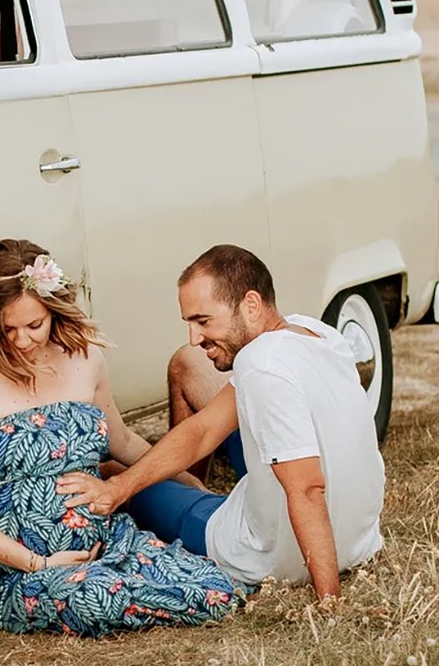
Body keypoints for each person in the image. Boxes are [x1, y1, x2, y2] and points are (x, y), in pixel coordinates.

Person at [0, 238, 247, 636]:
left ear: (54, 310)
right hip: (28, 572)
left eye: (34, 325)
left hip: (107, 540)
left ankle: (130, 575)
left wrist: (180, 474)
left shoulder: (85, 362)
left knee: (216, 588)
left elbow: (123, 442)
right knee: (95, 598)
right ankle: (95, 586)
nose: (21, 340)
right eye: (8, 328)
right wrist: (38, 563)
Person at [56, 245, 384, 601]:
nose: (195, 338)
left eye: (203, 321)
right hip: (358, 540)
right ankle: (190, 486)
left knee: (109, 470)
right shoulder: (315, 332)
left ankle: (191, 502)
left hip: (279, 555)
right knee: (186, 366)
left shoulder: (262, 365)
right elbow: (202, 431)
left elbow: (306, 490)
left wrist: (329, 602)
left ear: (251, 305)